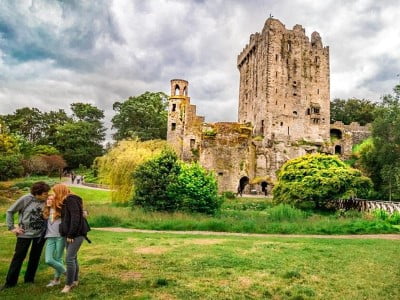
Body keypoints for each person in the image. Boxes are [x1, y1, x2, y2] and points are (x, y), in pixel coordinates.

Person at [1, 181, 50, 291]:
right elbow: (10, 211)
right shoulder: (26, 199)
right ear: (37, 193)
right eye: (44, 194)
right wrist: (12, 228)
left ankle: (29, 279)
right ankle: (10, 282)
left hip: (40, 235)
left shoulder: (47, 200)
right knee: (18, 257)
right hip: (24, 234)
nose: (47, 195)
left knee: (35, 257)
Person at [52, 184, 89, 293]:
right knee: (73, 258)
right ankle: (75, 280)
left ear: (60, 191)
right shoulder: (66, 201)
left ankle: (68, 284)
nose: (54, 195)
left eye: (55, 192)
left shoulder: (70, 199)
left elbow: (75, 218)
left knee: (69, 259)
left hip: (75, 235)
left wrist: (71, 234)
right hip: (69, 234)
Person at [43, 194, 66, 287]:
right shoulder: (45, 212)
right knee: (48, 260)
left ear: (55, 201)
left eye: (51, 199)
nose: (48, 201)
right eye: (48, 199)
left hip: (60, 237)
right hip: (49, 237)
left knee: (58, 258)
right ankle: (67, 273)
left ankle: (56, 280)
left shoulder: (61, 211)